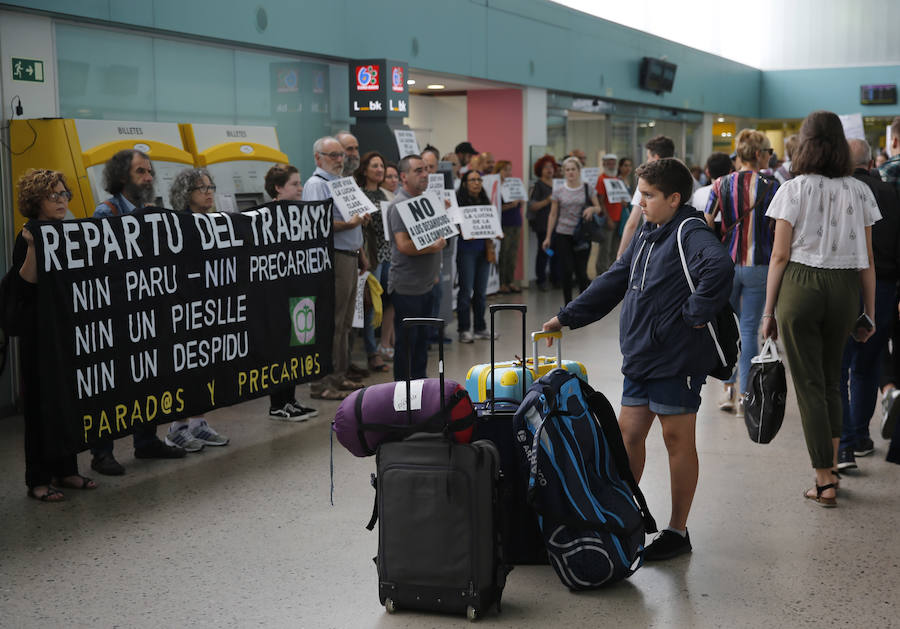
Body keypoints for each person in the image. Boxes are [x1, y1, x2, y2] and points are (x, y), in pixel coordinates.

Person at [542, 157, 734, 560]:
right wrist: (566, 317)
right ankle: (620, 517)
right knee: (628, 437)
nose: (641, 202)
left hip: (675, 359)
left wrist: (694, 314)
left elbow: (718, 266)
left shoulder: (689, 230)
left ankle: (677, 532)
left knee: (676, 439)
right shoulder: (649, 231)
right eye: (640, 194)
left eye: (648, 195)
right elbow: (614, 279)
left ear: (674, 198)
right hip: (641, 355)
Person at [761, 110, 880, 507]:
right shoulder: (860, 191)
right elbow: (868, 261)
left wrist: (767, 312)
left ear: (805, 144)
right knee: (833, 381)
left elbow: (779, 257)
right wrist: (871, 312)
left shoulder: (792, 190)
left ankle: (824, 479)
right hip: (845, 287)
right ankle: (831, 469)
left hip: (800, 285)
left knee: (810, 385)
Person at [4, 170, 98, 501]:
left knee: (65, 401)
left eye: (64, 194)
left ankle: (67, 469)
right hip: (38, 334)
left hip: (63, 331)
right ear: (36, 201)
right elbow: (23, 286)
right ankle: (38, 479)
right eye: (53, 196)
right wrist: (32, 247)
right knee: (41, 404)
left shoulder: (67, 231)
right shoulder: (29, 235)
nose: (62, 201)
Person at [90, 150, 185, 475]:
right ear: (121, 177)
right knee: (112, 383)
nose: (148, 177)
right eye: (141, 172)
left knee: (150, 375)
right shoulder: (106, 213)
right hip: (117, 314)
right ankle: (102, 452)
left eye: (149, 172)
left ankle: (146, 441)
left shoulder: (150, 211)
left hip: (147, 310)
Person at [704, 130, 779, 415]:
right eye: (769, 151)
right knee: (749, 329)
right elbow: (777, 227)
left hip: (727, 265)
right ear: (759, 154)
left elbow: (707, 222)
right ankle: (747, 395)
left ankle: (727, 389)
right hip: (760, 266)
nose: (770, 156)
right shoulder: (773, 185)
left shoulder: (720, 184)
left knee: (727, 326)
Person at [837, 138, 900, 470]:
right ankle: (860, 435)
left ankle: (844, 446)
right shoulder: (889, 191)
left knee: (840, 367)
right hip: (885, 286)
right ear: (870, 162)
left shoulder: (837, 191)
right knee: (868, 362)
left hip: (844, 284)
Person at [161, 168, 231, 451]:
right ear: (186, 194)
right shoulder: (179, 224)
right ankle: (177, 427)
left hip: (208, 304)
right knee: (185, 368)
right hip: (184, 305)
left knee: (205, 366)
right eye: (202, 187)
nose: (209, 191)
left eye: (211, 186)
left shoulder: (214, 221)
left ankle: (198, 423)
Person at [303, 136, 370, 400]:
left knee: (344, 323)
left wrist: (360, 244)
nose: (340, 160)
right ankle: (322, 384)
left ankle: (339, 375)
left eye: (341, 155)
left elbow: (352, 218)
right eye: (333, 155)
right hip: (334, 256)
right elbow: (317, 224)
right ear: (318, 158)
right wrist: (351, 224)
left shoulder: (342, 183)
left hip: (350, 254)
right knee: (332, 322)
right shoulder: (316, 185)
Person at [261, 164, 319, 421]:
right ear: (278, 187)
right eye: (295, 184)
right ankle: (277, 403)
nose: (300, 188)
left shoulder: (302, 213)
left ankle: (290, 399)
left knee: (298, 344)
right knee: (280, 347)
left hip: (298, 291)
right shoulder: (264, 216)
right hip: (275, 294)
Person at [385, 155, 447, 380]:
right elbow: (403, 245)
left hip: (427, 284)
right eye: (418, 171)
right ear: (404, 177)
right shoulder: (398, 206)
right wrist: (433, 248)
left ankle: (419, 389)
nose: (424, 175)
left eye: (426, 170)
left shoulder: (426, 201)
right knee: (407, 345)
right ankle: (403, 393)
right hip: (407, 287)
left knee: (422, 343)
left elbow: (437, 236)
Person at [542, 156, 602, 305]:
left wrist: (592, 209)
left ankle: (583, 304)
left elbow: (599, 208)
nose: (570, 172)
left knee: (582, 272)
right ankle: (568, 305)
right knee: (567, 270)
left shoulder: (587, 188)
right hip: (563, 234)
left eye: (573, 169)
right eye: (567, 170)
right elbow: (553, 214)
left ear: (579, 171)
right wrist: (548, 237)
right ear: (563, 172)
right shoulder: (559, 190)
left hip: (582, 234)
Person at [354, 151, 391, 373]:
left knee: (388, 302)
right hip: (371, 256)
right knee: (371, 305)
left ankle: (385, 344)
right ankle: (371, 353)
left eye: (381, 166)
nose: (379, 170)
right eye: (374, 166)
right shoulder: (359, 194)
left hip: (389, 254)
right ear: (365, 169)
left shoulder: (385, 195)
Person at [617, 136, 676, 259]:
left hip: (655, 242)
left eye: (648, 157)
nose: (647, 161)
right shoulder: (687, 179)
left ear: (656, 158)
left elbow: (632, 223)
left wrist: (620, 256)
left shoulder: (647, 182)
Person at [455, 170, 496, 343]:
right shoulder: (459, 202)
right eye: (472, 180)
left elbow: (492, 225)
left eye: (479, 179)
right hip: (466, 250)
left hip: (483, 250)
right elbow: (455, 225)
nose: (477, 183)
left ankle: (480, 328)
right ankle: (464, 329)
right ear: (465, 183)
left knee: (480, 292)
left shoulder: (485, 201)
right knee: (465, 291)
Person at [529, 154, 559, 291]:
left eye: (551, 167)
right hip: (542, 224)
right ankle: (541, 279)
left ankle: (555, 278)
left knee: (555, 252)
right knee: (544, 252)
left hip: (558, 224)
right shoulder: (538, 185)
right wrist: (548, 200)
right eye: (546, 167)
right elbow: (533, 206)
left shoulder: (558, 184)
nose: (549, 170)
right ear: (540, 170)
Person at [690, 152, 733, 240]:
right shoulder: (734, 193)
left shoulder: (698, 193)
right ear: (730, 171)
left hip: (705, 238)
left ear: (707, 172)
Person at [594, 153, 625, 273]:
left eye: (613, 162)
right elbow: (600, 201)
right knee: (605, 249)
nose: (611, 164)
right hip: (608, 220)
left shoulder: (617, 179)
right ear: (604, 164)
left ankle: (612, 273)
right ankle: (601, 274)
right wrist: (608, 219)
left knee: (615, 249)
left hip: (619, 219)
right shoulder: (601, 179)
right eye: (609, 162)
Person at [495, 160, 523, 293]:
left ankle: (510, 281)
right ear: (499, 171)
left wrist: (521, 201)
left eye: (510, 170)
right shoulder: (497, 186)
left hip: (516, 222)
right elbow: (496, 208)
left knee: (513, 254)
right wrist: (510, 205)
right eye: (505, 170)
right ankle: (501, 283)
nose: (508, 173)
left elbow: (520, 204)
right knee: (503, 254)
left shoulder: (514, 185)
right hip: (504, 223)